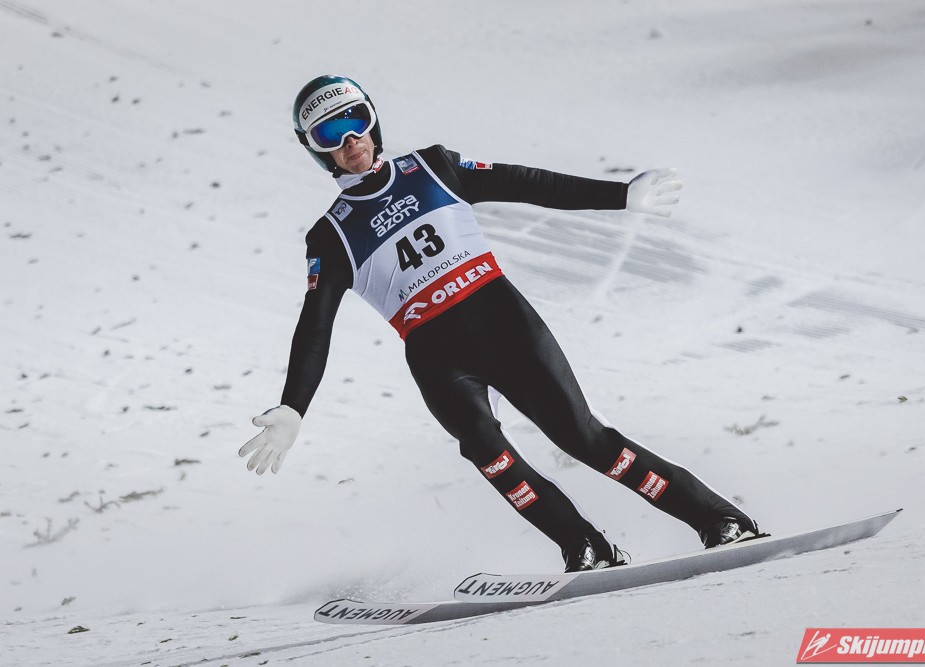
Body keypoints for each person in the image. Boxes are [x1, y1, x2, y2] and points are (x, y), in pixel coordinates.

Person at [239, 75, 761, 572]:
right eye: (330, 133)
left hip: (502, 322)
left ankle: (720, 518)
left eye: (355, 121)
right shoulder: (330, 236)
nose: (350, 140)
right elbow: (315, 326)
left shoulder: (433, 167)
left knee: (586, 441)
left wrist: (620, 195)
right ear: (316, 150)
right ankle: (583, 546)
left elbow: (529, 183)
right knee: (488, 454)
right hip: (435, 355)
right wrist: (294, 406)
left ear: (373, 121)